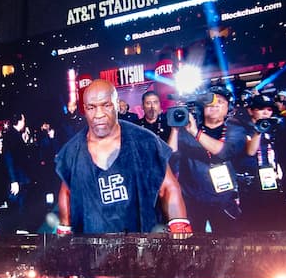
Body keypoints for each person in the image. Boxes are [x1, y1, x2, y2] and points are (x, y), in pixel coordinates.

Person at [55, 79, 190, 235]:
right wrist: (64, 230)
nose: (99, 114)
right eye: (92, 108)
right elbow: (67, 191)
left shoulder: (144, 140)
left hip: (140, 242)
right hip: (92, 246)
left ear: (116, 104)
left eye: (106, 105)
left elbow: (168, 187)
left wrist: (179, 227)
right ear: (85, 109)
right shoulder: (72, 151)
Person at [168, 87, 246, 233]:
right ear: (202, 107)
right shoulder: (189, 129)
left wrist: (195, 132)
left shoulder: (235, 129)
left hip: (223, 200)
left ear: (228, 107)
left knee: (227, 244)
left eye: (220, 102)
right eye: (210, 103)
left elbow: (224, 152)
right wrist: (175, 128)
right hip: (192, 200)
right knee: (194, 245)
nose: (215, 105)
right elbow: (172, 156)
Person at [235, 94, 283, 230]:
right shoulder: (240, 129)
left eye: (269, 109)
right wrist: (258, 130)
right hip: (250, 183)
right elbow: (250, 151)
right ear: (251, 110)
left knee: (274, 220)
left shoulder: (272, 127)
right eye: (261, 109)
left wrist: (277, 167)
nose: (266, 113)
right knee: (254, 224)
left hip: (270, 179)